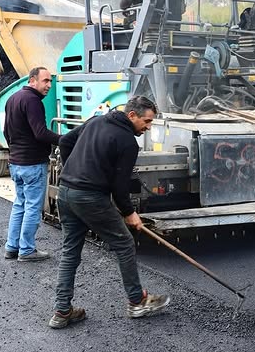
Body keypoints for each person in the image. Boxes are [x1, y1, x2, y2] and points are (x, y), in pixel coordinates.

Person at [48, 95, 170, 329]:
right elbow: (119, 187)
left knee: (70, 251)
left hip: (66, 192)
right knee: (124, 244)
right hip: (90, 197)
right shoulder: (127, 142)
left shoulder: (95, 122)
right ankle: (137, 301)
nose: (148, 127)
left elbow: (64, 142)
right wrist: (129, 213)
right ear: (132, 115)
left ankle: (62, 311)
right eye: (146, 121)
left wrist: (73, 171)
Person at [3, 67, 59, 262]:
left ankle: (12, 247)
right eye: (45, 81)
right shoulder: (33, 101)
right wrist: (64, 139)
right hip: (32, 164)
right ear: (32, 80)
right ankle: (26, 250)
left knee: (19, 204)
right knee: (33, 207)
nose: (49, 86)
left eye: (50, 82)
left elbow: (6, 132)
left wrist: (15, 151)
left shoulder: (13, 99)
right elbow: (41, 133)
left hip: (16, 163)